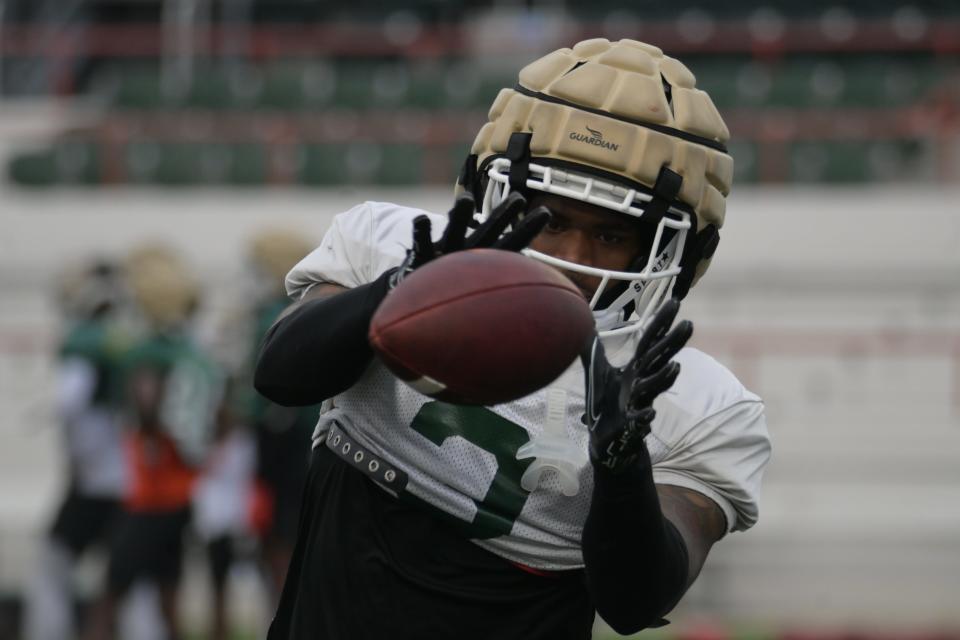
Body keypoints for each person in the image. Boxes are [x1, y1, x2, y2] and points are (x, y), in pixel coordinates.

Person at [255, 38, 771, 639]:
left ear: (674, 249)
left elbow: (635, 603)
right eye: (551, 220)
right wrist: (394, 293)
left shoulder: (695, 402)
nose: (573, 260)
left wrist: (622, 464)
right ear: (491, 191)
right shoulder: (390, 249)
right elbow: (280, 375)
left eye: (610, 236)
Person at [84, 246, 223, 640]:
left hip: (152, 494)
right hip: (181, 492)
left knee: (111, 593)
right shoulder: (192, 353)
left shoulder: (151, 355)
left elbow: (148, 411)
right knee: (168, 592)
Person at [24, 259, 129, 640]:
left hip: (95, 478)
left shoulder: (87, 340)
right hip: (122, 475)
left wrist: (35, 414)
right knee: (129, 577)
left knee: (52, 566)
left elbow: (71, 397)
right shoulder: (124, 334)